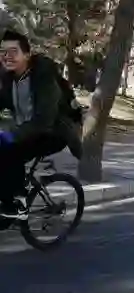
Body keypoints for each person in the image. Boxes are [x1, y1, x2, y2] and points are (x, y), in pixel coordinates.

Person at [0, 30, 82, 218]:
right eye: (3, 51)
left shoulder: (43, 77)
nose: (7, 56)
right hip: (28, 130)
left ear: (27, 55)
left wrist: (11, 135)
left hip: (54, 132)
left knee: (9, 151)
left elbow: (44, 120)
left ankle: (18, 204)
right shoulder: (9, 78)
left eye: (13, 51)